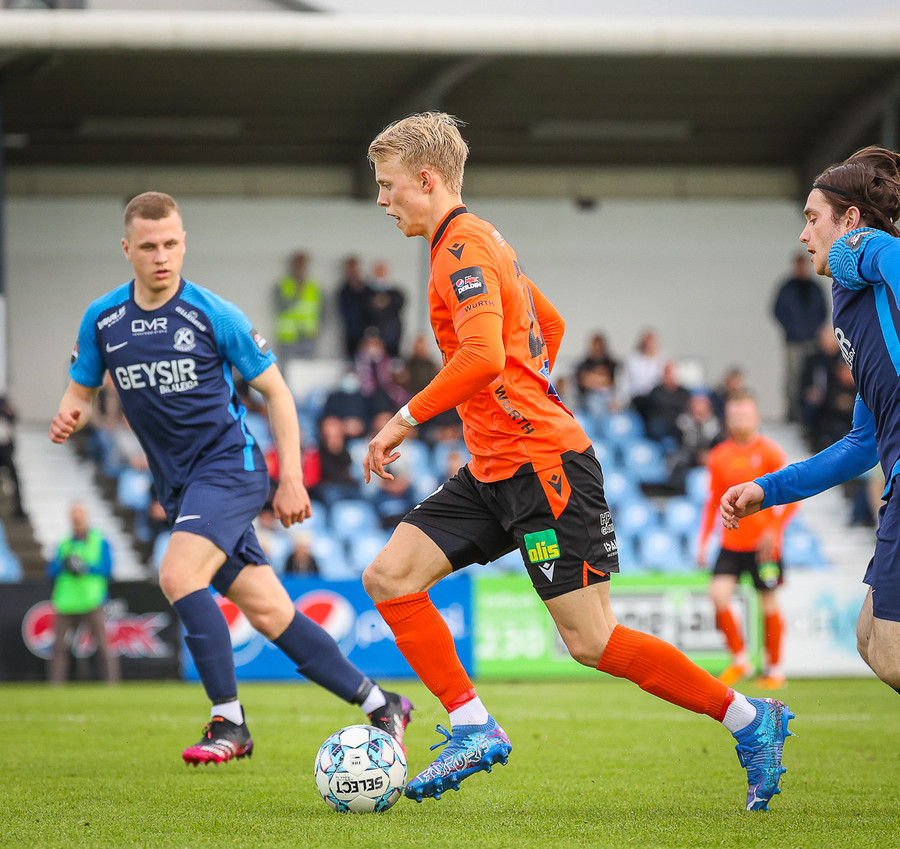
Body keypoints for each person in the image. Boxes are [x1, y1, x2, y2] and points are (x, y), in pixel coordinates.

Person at [361, 112, 793, 810]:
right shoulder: (479, 242)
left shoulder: (462, 249)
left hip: (544, 469)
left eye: (388, 185)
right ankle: (472, 725)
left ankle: (750, 719)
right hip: (494, 468)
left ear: (428, 179)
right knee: (389, 576)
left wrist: (403, 419)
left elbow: (483, 356)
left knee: (591, 641)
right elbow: (548, 324)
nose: (382, 200)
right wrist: (520, 395)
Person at [49, 191, 412, 766]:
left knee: (177, 573)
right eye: (149, 246)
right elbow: (81, 388)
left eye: (171, 244)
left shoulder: (214, 315)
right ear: (127, 249)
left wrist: (290, 479)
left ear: (184, 242)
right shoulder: (103, 319)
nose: (162, 256)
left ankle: (229, 721)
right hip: (180, 489)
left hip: (230, 469)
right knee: (270, 613)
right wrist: (71, 411)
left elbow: (278, 394)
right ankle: (382, 702)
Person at [721, 145, 900, 698]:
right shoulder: (858, 302)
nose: (803, 235)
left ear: (850, 219)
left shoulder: (867, 250)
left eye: (811, 218)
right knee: (870, 641)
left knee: (891, 652)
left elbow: (889, 254)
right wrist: (767, 489)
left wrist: (860, 245)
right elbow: (862, 444)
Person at [697, 394, 797, 689]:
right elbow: (713, 502)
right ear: (727, 420)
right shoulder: (719, 456)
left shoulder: (770, 452)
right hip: (731, 541)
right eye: (734, 415)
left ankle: (775, 670)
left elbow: (793, 496)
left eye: (744, 414)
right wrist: (703, 540)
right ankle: (741, 659)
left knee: (768, 603)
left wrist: (774, 530)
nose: (739, 419)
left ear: (756, 418)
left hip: (763, 546)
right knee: (718, 595)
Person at [47, 502, 119, 684]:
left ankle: (112, 683)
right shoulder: (64, 543)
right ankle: (55, 684)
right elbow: (51, 570)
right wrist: (66, 564)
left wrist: (85, 567)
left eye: (79, 516)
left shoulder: (99, 540)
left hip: (91, 600)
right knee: (59, 647)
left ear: (86, 517)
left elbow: (108, 569)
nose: (77, 520)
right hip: (66, 601)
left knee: (102, 645)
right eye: (74, 516)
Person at [772, 252, 829, 422]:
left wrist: (815, 331)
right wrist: (791, 329)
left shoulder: (815, 288)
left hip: (812, 341)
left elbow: (823, 311)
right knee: (793, 377)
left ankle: (811, 413)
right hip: (794, 341)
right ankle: (793, 412)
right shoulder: (787, 287)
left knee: (812, 377)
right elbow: (777, 311)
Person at [272, 251, 322, 361]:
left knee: (307, 368)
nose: (300, 268)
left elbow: (322, 311)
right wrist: (297, 292)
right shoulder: (282, 285)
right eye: (298, 264)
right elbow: (280, 307)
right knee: (288, 369)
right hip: (288, 337)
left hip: (308, 336)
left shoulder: (314, 287)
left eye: (303, 264)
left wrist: (319, 329)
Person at [0, 394, 27, 519]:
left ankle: (19, 509)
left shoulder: (4, 402)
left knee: (14, 479)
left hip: (5, 449)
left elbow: (13, 417)